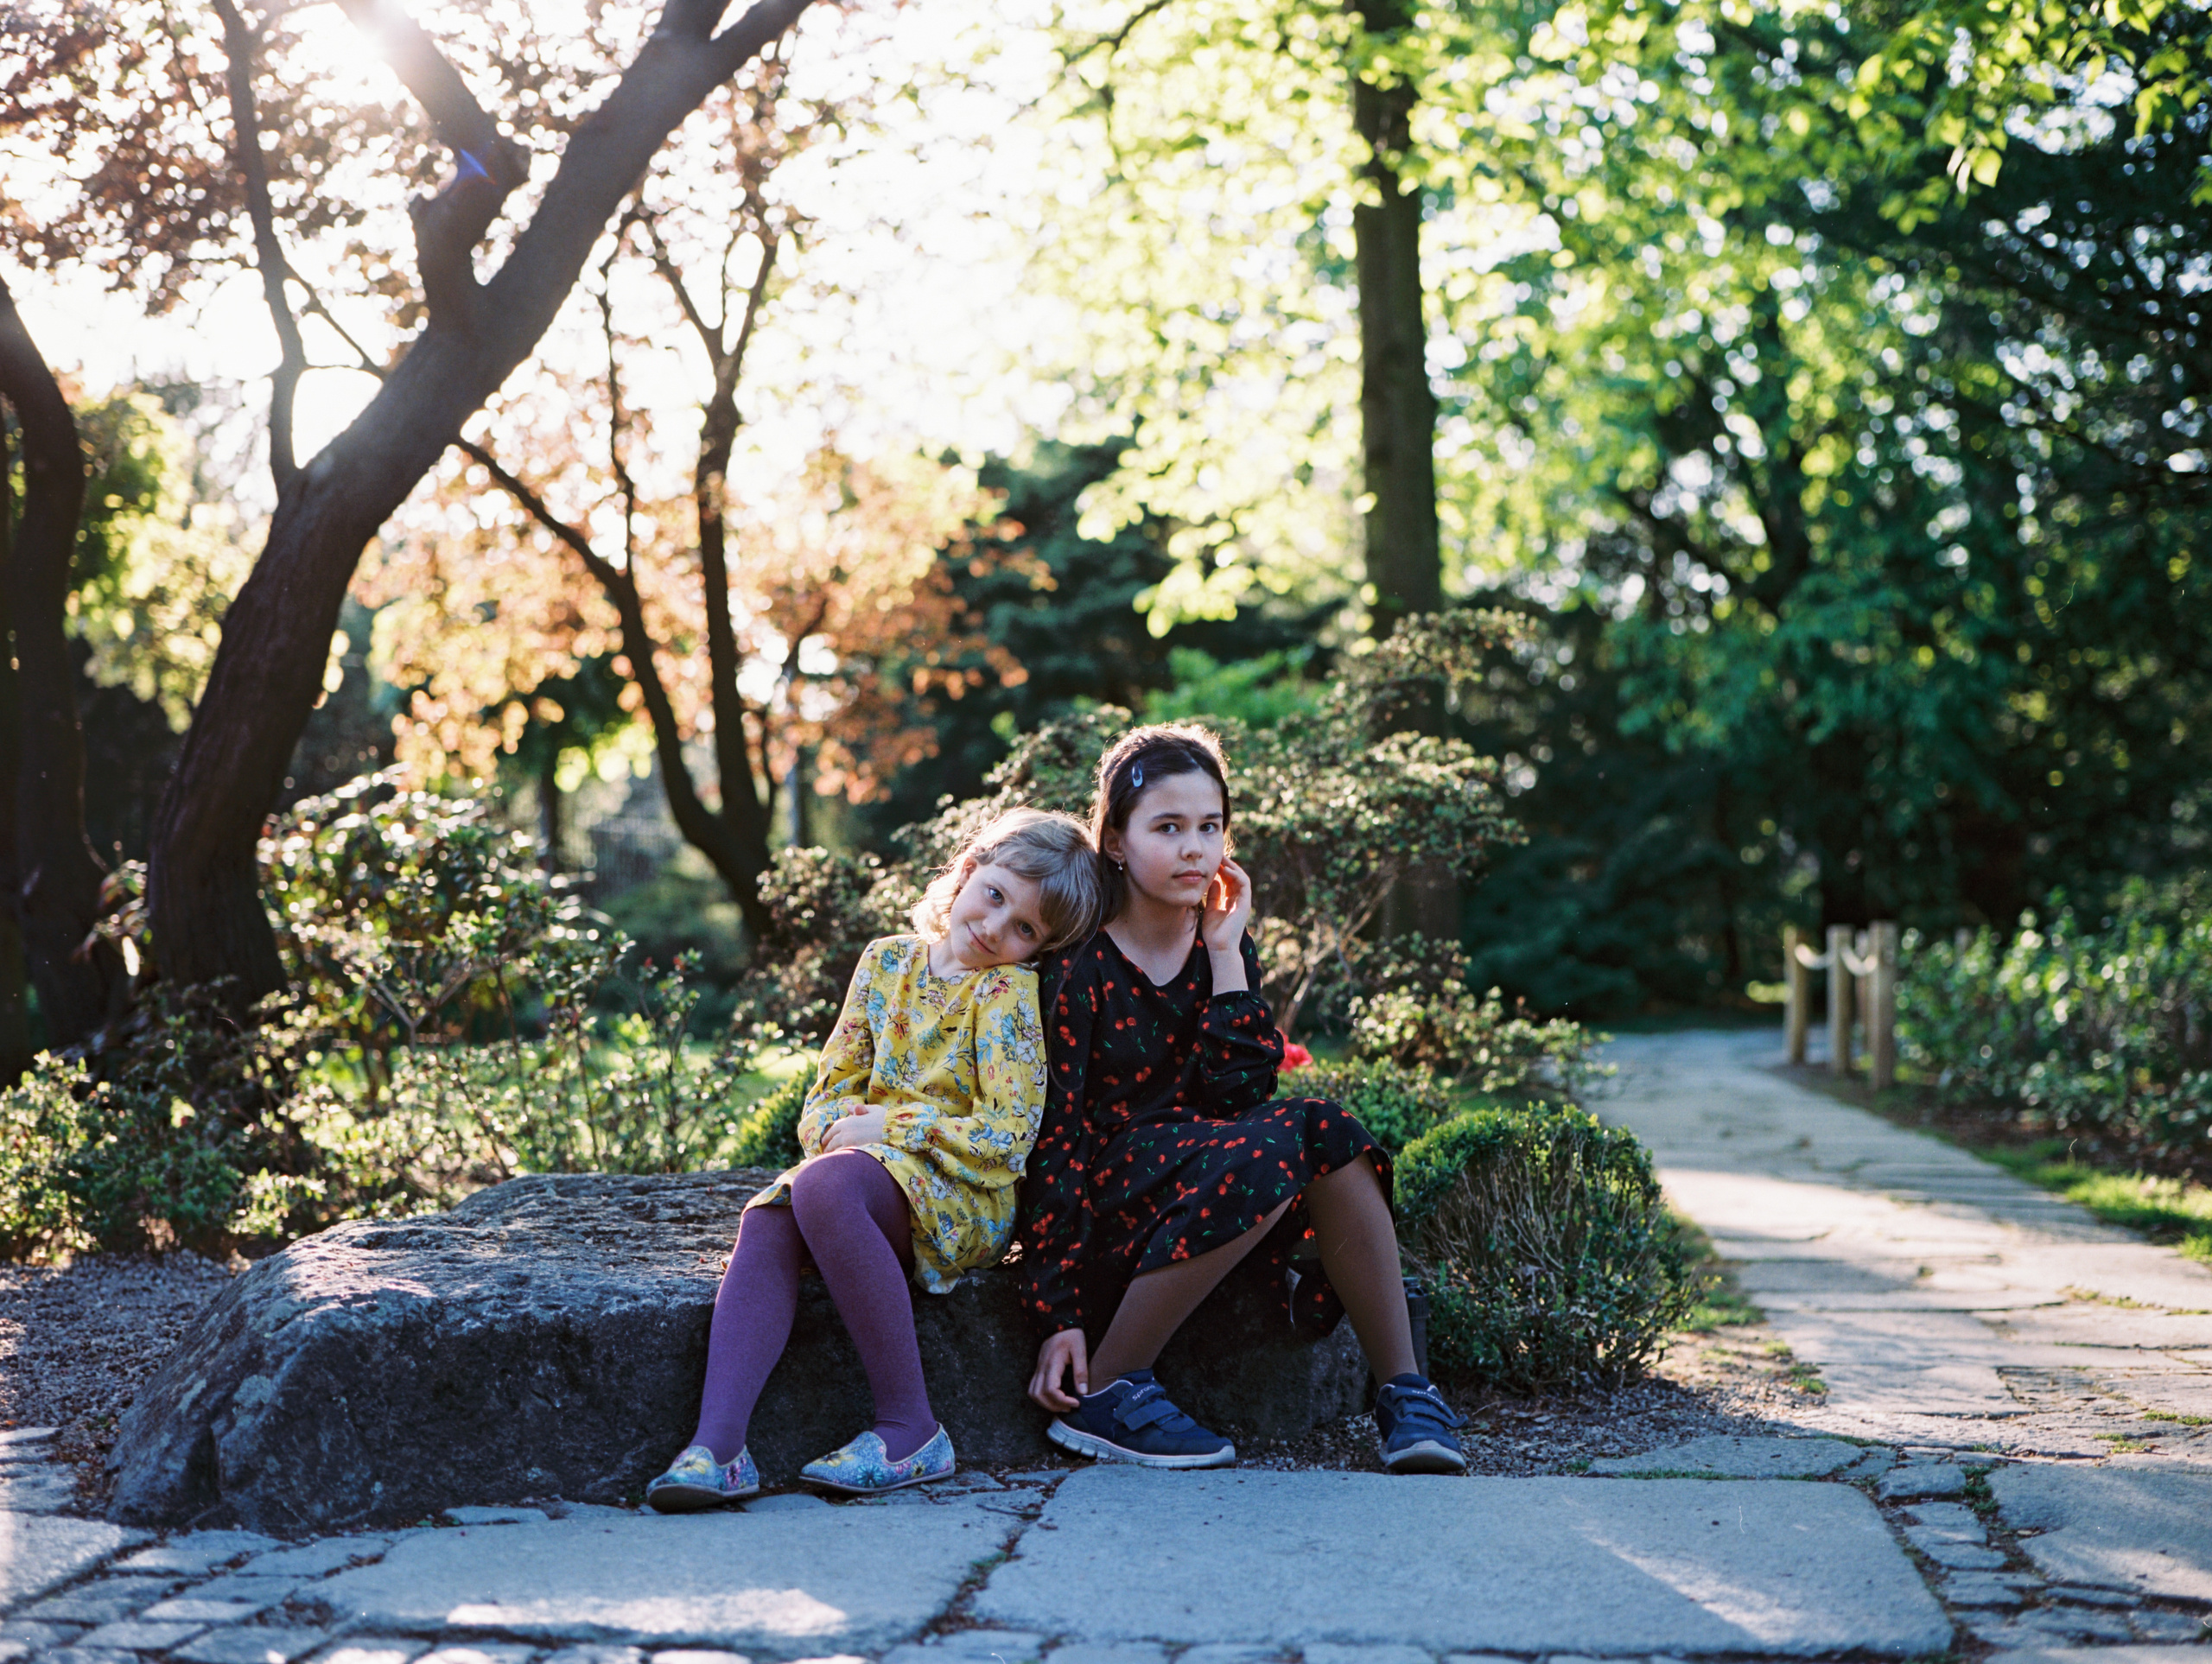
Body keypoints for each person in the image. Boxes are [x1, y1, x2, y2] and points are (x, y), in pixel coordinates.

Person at [1019, 724, 1467, 1475]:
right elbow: (1056, 1139)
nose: (1196, 848)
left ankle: (1406, 1393)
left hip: (1210, 1174)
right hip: (1115, 1194)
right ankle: (1113, 1383)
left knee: (1326, 1127)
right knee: (1274, 1145)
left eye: (1211, 827)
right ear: (1118, 843)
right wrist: (1055, 1311)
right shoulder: (1078, 965)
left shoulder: (1219, 945)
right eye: (1169, 828)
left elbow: (1244, 1095)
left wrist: (1227, 957)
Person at [646, 808, 1104, 1508]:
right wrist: (843, 1130)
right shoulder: (885, 962)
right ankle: (718, 1448)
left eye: (1024, 929)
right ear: (967, 870)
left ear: (1037, 949)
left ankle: (910, 1428)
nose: (994, 926)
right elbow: (827, 1096)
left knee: (824, 1189)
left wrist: (893, 1125)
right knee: (770, 1218)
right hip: (865, 1180)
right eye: (996, 894)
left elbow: (1008, 1136)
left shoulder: (1004, 992)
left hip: (963, 1192)